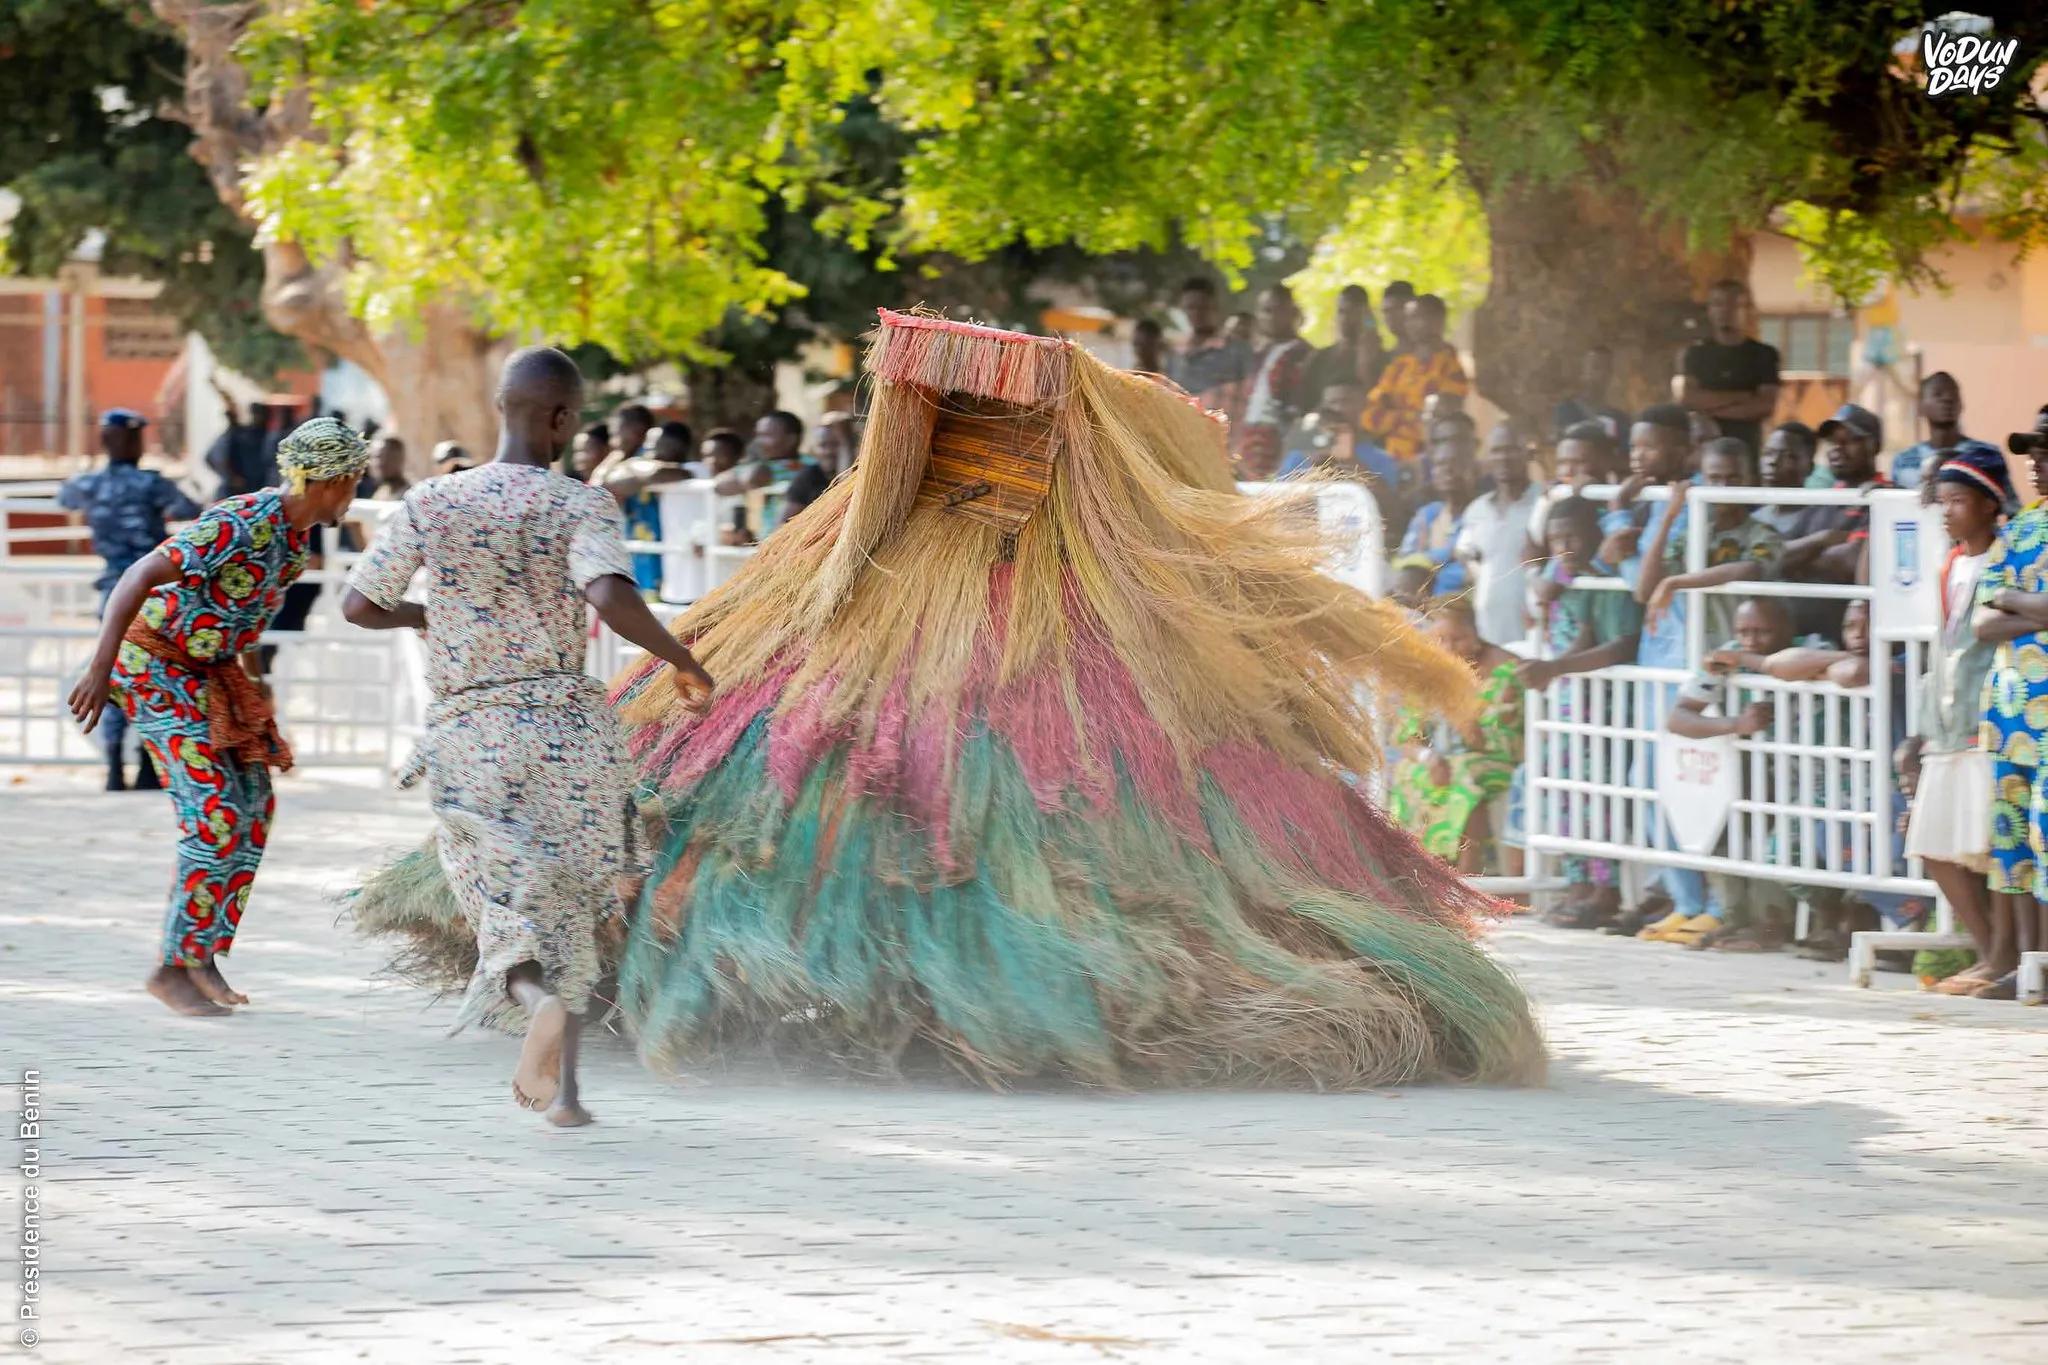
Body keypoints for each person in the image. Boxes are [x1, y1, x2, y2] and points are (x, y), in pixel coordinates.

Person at [349, 308, 1543, 1090]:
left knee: (831, 793)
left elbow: (895, 490)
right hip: (957, 587)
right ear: (556, 417)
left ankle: (545, 967)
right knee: (936, 797)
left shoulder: (452, 504)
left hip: (990, 588)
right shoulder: (574, 507)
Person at [341, 347, 717, 1126]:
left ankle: (534, 1000)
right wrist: (682, 659)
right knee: (573, 908)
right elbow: (610, 596)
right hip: (573, 735)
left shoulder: (431, 501)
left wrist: (429, 615)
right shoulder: (581, 504)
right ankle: (567, 1096)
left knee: (503, 907)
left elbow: (359, 605)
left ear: (501, 406)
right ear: (565, 418)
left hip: (476, 730)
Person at [67, 417, 370, 1017]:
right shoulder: (242, 523)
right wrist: (100, 669)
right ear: (331, 481)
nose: (356, 491)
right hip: (153, 665)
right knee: (216, 813)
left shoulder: (293, 541)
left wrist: (254, 698)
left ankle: (201, 951)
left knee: (255, 804)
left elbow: (241, 622)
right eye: (354, 480)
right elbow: (139, 574)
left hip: (207, 673)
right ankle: (170, 967)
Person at [1904, 449, 2013, 993]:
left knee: (1989, 845)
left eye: (1959, 501)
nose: (1948, 512)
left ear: (1990, 504)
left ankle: (2001, 958)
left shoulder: (2007, 560)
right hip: (1945, 728)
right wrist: (1921, 731)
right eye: (1942, 502)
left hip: (1988, 723)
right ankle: (1988, 947)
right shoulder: (1950, 564)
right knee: (1934, 844)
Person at [1516, 496, 1644, 927]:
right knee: (1566, 794)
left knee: (1599, 799)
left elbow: (1613, 643)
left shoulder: (1604, 581)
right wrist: (1554, 670)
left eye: (1573, 535)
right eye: (1556, 537)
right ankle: (1576, 884)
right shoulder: (1568, 578)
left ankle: (1602, 891)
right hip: (1568, 704)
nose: (1565, 545)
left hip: (1602, 709)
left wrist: (1556, 667)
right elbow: (1567, 622)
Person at [58, 409, 203, 791]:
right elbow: (192, 510)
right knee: (151, 674)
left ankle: (112, 766)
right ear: (130, 441)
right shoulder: (151, 485)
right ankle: (145, 764)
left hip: (112, 590)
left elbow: (64, 498)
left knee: (111, 671)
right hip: (154, 592)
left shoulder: (87, 484)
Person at [1965, 411, 2048, 999]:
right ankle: (2027, 966)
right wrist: (2032, 604)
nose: (2035, 463)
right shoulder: (2020, 528)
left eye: (2045, 452)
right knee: (2013, 841)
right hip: (2009, 714)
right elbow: (1979, 622)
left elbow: (2004, 608)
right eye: (2032, 453)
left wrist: (2012, 602)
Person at [1388, 596, 1525, 873]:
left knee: (1466, 776)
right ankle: (1418, 870)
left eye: (1458, 639)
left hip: (1495, 758)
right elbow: (1406, 737)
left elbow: (1499, 742)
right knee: (1407, 773)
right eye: (1440, 640)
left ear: (1476, 633)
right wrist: (1428, 758)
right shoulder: (1427, 671)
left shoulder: (1506, 670)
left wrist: (1459, 715)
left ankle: (1467, 872)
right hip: (1444, 758)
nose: (1449, 649)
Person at [1637, 437, 1784, 649]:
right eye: (1714, 479)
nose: (1723, 488)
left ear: (1750, 480)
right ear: (1702, 480)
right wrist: (1669, 517)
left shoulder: (1764, 534)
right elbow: (1645, 591)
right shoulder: (1692, 535)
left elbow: (1751, 568)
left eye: (1733, 478)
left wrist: (1674, 582)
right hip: (1699, 658)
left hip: (1749, 657)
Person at [1453, 421, 1541, 646]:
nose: (1503, 457)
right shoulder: (1477, 510)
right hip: (1488, 632)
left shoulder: (1545, 501)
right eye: (1496, 451)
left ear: (1528, 454)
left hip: (1535, 630)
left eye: (1511, 449)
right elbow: (1467, 556)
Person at [1360, 293, 1470, 467]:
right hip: (1392, 460)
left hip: (1433, 463)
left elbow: (1437, 424)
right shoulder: (1399, 366)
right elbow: (1370, 418)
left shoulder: (1451, 367)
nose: (1410, 325)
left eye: (1417, 317)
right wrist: (1412, 417)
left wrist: (1393, 417)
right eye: (1408, 319)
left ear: (1438, 320)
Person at [1678, 279, 1780, 459]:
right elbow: (1688, 399)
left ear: (1747, 310)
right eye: (1718, 304)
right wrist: (1743, 397)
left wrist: (1709, 407)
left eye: (1734, 304)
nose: (1725, 311)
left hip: (1747, 448)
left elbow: (1764, 406)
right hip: (1702, 449)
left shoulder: (1764, 355)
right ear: (1709, 310)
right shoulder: (1694, 354)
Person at [603, 420, 695, 596]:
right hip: (644, 558)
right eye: (647, 444)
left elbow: (670, 474)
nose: (649, 449)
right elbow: (610, 485)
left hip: (675, 560)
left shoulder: (687, 470)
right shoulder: (634, 465)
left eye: (656, 444)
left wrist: (639, 473)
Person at [1236, 285, 1319, 479]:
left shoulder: (1303, 353)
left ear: (1292, 313)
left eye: (1278, 310)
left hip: (1279, 437)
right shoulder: (1258, 353)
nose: (1271, 317)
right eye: (1266, 311)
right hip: (1248, 436)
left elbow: (1300, 407)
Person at [1399, 417, 1480, 596]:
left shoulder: (1481, 512)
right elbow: (1405, 560)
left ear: (1472, 469)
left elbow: (1466, 566)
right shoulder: (1427, 514)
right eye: (1441, 464)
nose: (1448, 470)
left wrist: (1426, 561)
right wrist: (1443, 557)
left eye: (1457, 464)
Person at [1164, 277, 1251, 428]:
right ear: (1183, 309)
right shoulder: (1175, 354)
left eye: (1203, 307)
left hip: (1222, 442)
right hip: (1182, 438)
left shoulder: (1237, 350)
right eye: (1191, 307)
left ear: (1215, 307)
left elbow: (1249, 400)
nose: (1197, 313)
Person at [1891, 372, 1999, 490]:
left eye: (1954, 395)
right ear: (1920, 407)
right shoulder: (1903, 460)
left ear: (1961, 405)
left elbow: (2010, 506)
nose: (1947, 399)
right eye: (1938, 394)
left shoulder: (1986, 454)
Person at [1309, 284, 1387, 396]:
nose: (1344, 318)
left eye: (1351, 312)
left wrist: (1369, 327)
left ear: (1364, 314)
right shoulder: (1320, 358)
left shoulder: (1380, 359)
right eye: (1341, 312)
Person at [782, 410, 858, 523]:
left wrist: (846, 441)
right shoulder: (807, 477)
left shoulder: (861, 475)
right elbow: (783, 523)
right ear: (813, 450)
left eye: (836, 445)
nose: (828, 452)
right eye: (823, 446)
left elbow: (847, 491)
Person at [1551, 345, 1628, 443]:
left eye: (1608, 368)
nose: (1602, 373)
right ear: (1583, 372)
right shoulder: (1566, 411)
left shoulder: (1619, 419)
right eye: (1596, 367)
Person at [204, 401, 276, 502]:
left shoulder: (269, 437)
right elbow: (212, 458)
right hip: (234, 493)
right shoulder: (235, 435)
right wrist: (231, 477)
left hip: (259, 493)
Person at [364, 436, 410, 501]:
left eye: (386, 457)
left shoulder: (413, 497)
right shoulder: (379, 494)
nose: (379, 464)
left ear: (400, 459)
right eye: (374, 457)